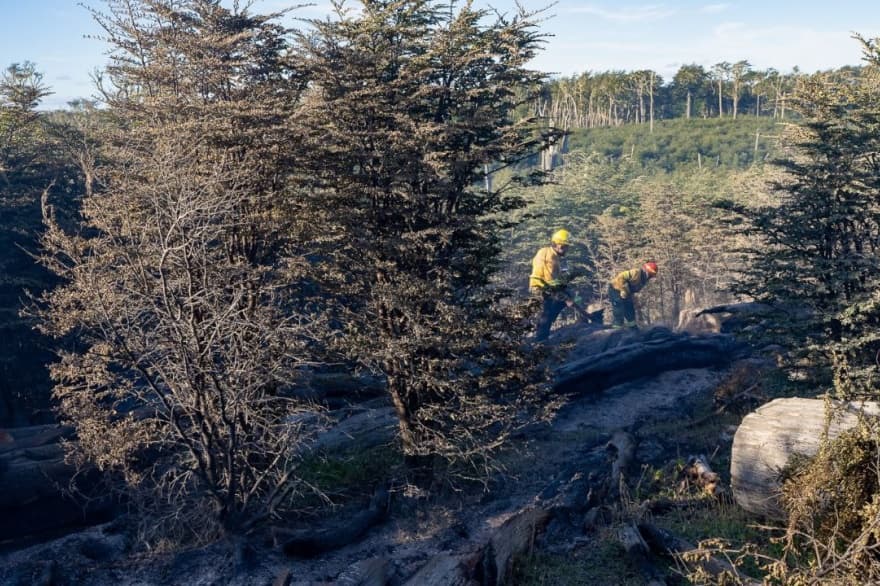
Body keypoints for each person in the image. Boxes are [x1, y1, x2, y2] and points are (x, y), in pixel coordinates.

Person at [529, 229, 575, 342]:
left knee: (550, 311)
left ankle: (543, 334)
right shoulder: (549, 257)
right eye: (565, 246)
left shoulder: (553, 255)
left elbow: (555, 278)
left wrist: (565, 290)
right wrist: (564, 296)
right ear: (559, 245)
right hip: (542, 288)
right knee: (547, 313)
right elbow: (549, 279)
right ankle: (541, 340)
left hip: (547, 287)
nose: (567, 249)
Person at [607, 261, 658, 328]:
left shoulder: (643, 280)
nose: (651, 277)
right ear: (646, 271)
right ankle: (616, 329)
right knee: (619, 308)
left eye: (652, 275)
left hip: (626, 293)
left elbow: (632, 289)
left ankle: (632, 328)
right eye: (651, 274)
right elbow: (621, 276)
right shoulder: (635, 272)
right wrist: (622, 289)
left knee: (630, 309)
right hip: (615, 289)